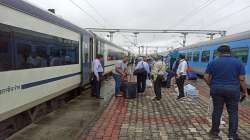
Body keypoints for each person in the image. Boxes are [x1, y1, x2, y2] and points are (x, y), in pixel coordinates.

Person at [204, 45, 248, 140]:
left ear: (219, 52)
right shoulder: (238, 62)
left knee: (217, 111)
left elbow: (206, 76)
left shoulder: (213, 62)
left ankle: (214, 132)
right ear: (230, 52)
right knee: (233, 113)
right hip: (233, 90)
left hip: (217, 89)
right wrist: (245, 91)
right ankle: (232, 135)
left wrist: (211, 85)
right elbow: (242, 79)